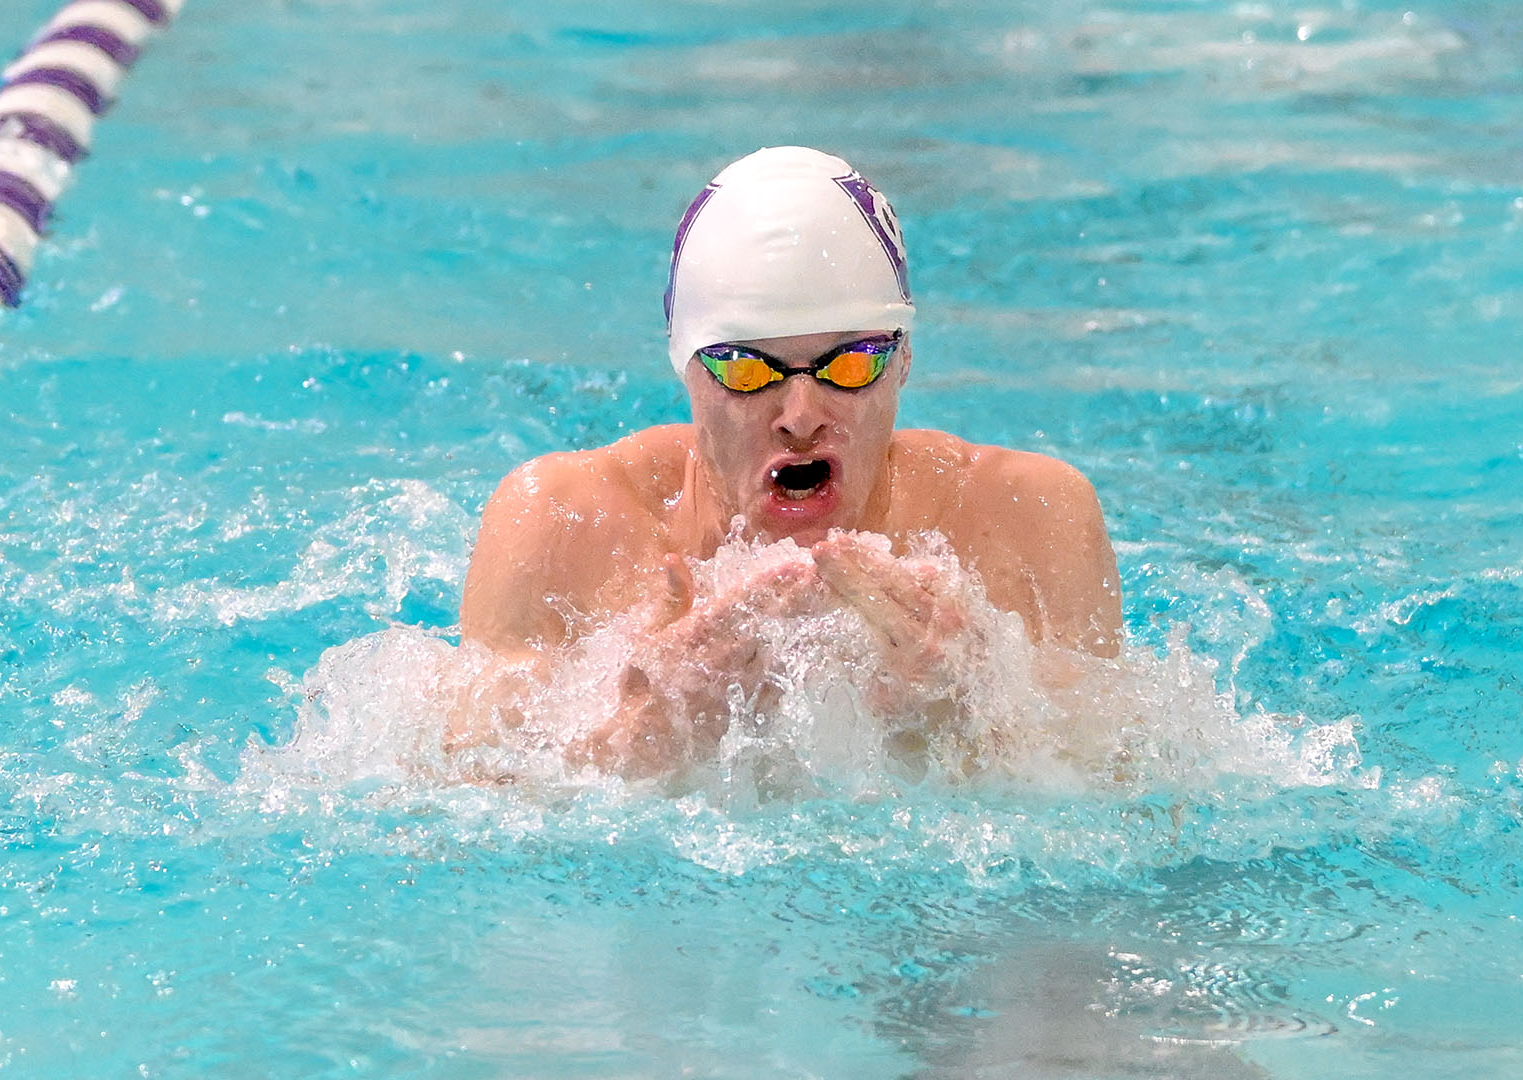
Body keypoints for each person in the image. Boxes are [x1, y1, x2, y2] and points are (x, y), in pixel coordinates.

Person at [454, 146, 1121, 774]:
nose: (801, 416)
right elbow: (457, 791)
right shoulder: (565, 522)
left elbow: (1131, 792)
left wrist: (975, 725)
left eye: (851, 363)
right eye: (746, 369)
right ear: (686, 368)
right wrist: (634, 745)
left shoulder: (1027, 517)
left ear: (904, 359)